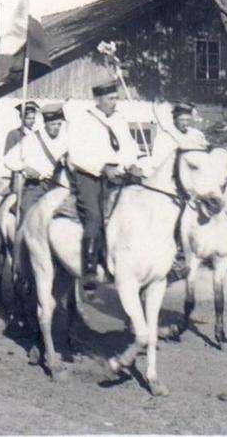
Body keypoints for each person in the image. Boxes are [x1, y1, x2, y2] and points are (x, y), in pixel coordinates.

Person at [67, 81, 142, 294]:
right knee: (95, 216)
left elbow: (128, 147)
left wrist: (133, 164)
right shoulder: (82, 120)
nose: (115, 102)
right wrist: (101, 167)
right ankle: (89, 269)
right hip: (89, 176)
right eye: (111, 99)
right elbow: (75, 154)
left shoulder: (119, 120)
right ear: (98, 100)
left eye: (116, 98)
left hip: (118, 175)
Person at [144, 101, 210, 277]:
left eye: (188, 120)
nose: (185, 123)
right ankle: (173, 257)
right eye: (182, 119)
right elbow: (158, 162)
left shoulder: (195, 135)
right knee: (173, 217)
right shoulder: (166, 136)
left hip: (189, 185)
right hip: (167, 185)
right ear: (175, 119)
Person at [5, 103, 69, 221]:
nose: (56, 128)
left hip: (61, 185)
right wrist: (24, 168)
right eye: (53, 124)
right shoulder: (32, 139)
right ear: (45, 123)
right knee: (27, 212)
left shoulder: (65, 139)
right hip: (38, 186)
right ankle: (22, 238)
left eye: (59, 124)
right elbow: (9, 158)